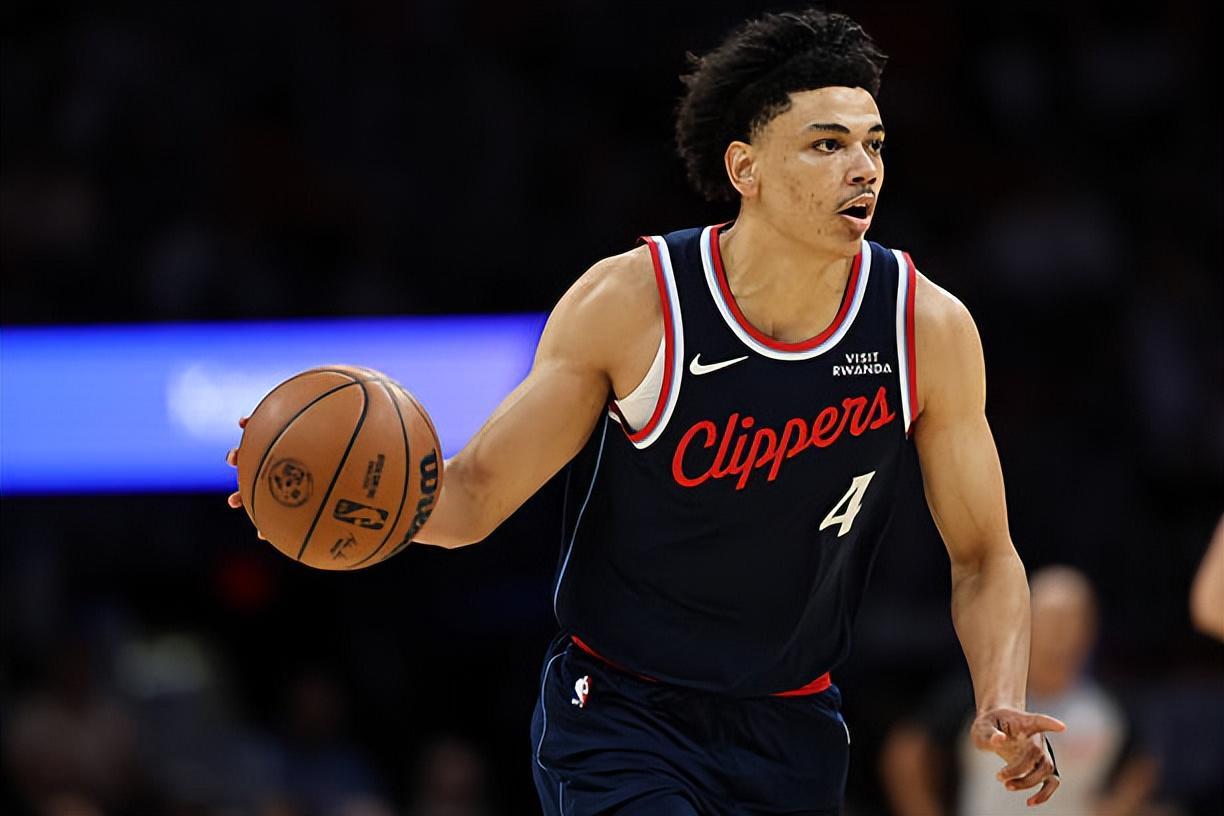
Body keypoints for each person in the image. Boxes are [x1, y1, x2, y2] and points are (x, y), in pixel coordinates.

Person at [228, 9, 1064, 813]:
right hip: (621, 713)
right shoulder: (634, 304)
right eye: (827, 144)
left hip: (792, 722)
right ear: (745, 169)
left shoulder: (924, 329)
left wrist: (999, 696)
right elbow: (474, 496)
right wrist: (333, 495)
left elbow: (984, 555)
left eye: (873, 144)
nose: (864, 167)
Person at [881, 566, 1158, 816]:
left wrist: (1118, 806)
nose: (1060, 633)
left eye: (1071, 620)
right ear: (1025, 621)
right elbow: (906, 752)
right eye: (1051, 619)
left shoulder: (1109, 706)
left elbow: (1144, 765)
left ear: (1090, 629)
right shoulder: (982, 693)